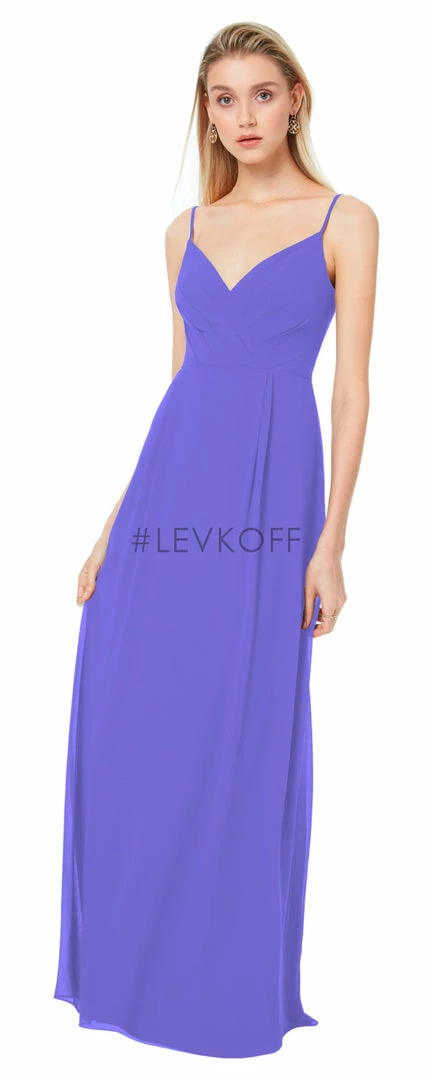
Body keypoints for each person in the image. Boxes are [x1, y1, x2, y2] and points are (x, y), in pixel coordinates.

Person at [53, 20, 378, 1059]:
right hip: (166, 509)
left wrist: (331, 543)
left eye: (261, 94)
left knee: (242, 734)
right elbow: (181, 386)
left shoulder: (346, 220)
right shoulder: (183, 230)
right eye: (224, 98)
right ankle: (133, 972)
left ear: (296, 99)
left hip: (271, 506)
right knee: (132, 731)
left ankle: (223, 989)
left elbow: (352, 389)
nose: (243, 116)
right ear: (206, 110)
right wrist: (113, 526)